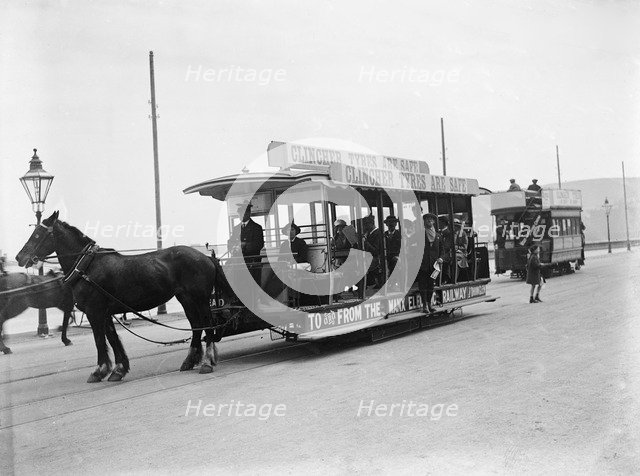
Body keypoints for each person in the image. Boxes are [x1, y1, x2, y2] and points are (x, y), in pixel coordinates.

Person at [418, 213, 444, 313]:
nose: (429, 221)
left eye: (431, 219)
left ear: (434, 222)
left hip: (434, 265)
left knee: (431, 284)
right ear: (424, 222)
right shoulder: (420, 234)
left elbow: (442, 250)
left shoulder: (438, 236)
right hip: (422, 264)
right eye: (427, 219)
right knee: (423, 284)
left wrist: (441, 258)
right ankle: (424, 305)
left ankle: (429, 303)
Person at [227, 200, 264, 265]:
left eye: (242, 213)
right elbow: (230, 242)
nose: (240, 215)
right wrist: (232, 249)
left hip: (252, 262)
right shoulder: (236, 228)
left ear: (248, 214)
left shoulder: (257, 228)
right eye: (239, 213)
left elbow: (259, 245)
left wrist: (243, 245)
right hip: (238, 262)